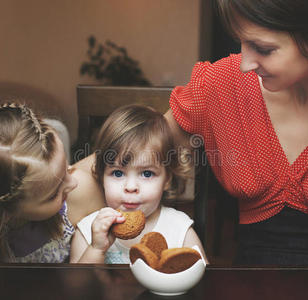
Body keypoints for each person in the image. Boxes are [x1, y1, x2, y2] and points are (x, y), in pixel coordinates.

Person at [165, 0, 308, 264]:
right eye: (241, 42)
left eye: (263, 49)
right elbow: (119, 157)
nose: (246, 64)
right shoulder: (225, 84)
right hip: (249, 287)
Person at [0, 102, 103, 263]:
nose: (73, 182)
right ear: (4, 215)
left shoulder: (81, 193)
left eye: (66, 167)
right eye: (53, 194)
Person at [69, 104, 207, 264]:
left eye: (147, 173)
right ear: (102, 177)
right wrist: (96, 249)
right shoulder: (89, 230)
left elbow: (204, 281)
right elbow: (76, 287)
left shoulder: (179, 229)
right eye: (118, 173)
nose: (131, 187)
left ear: (167, 179)